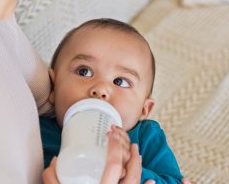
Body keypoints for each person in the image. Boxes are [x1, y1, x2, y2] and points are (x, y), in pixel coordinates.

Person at [39, 18, 184, 184]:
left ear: (144, 109)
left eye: (120, 81)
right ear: (53, 86)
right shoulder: (38, 131)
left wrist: (129, 168)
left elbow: (175, 181)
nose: (101, 89)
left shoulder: (145, 137)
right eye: (84, 71)